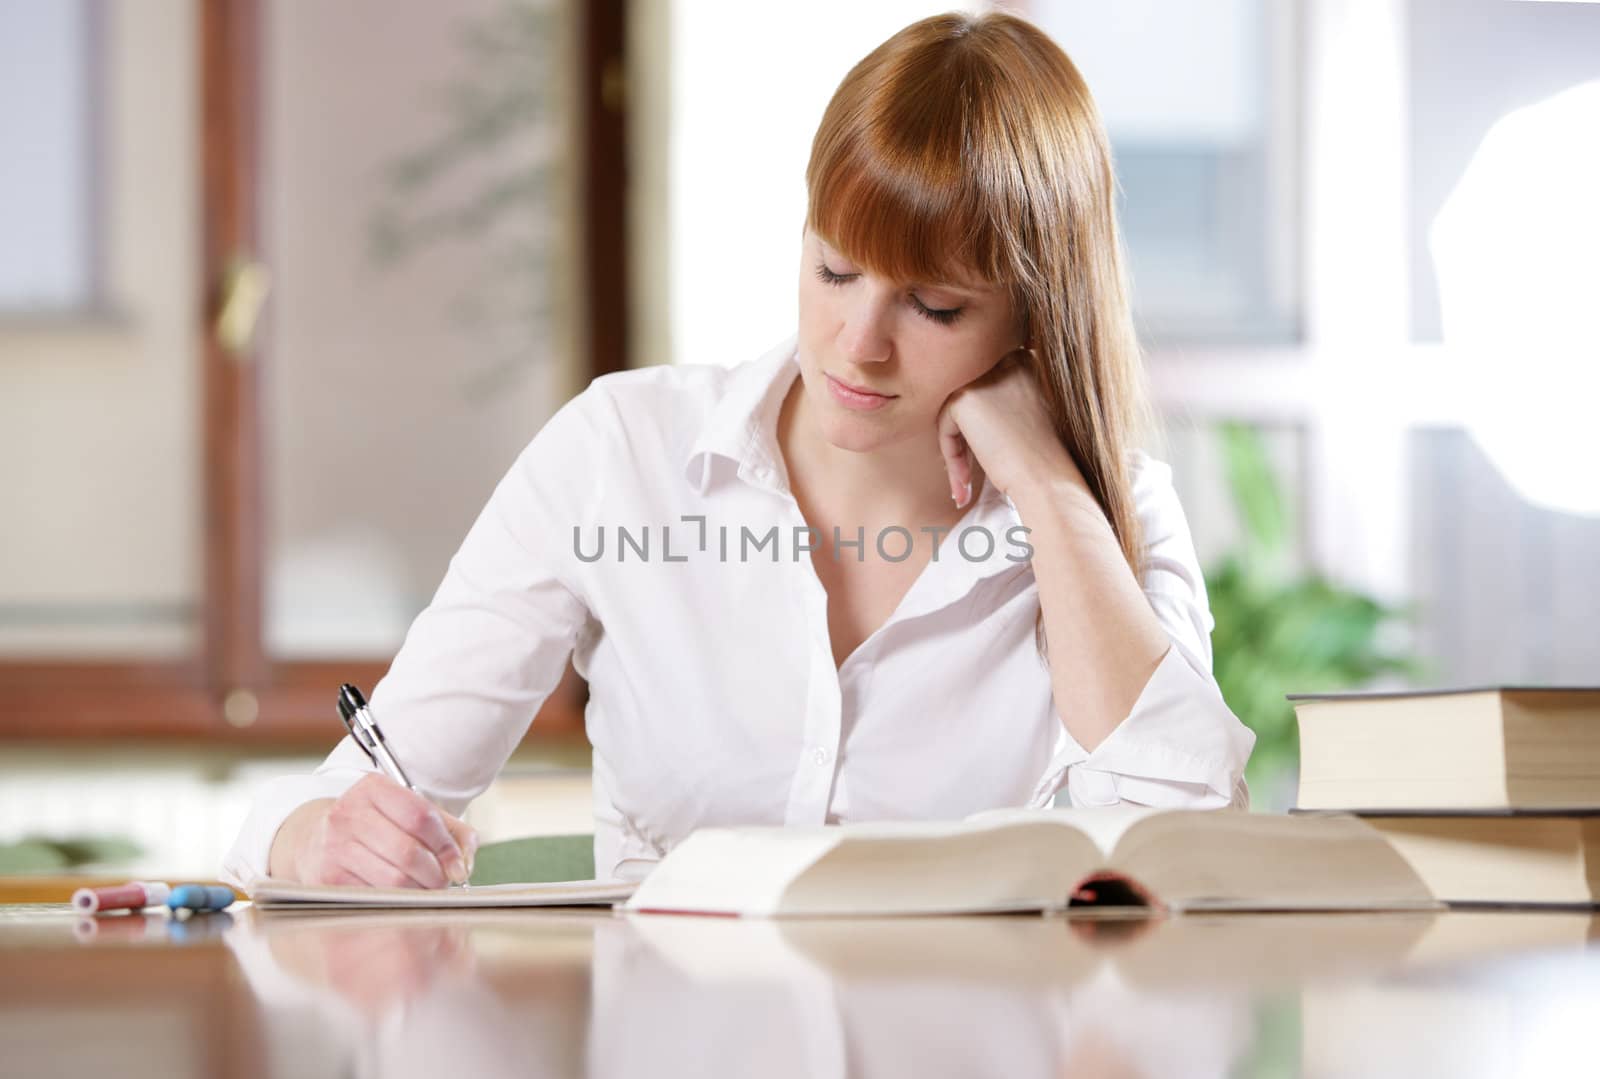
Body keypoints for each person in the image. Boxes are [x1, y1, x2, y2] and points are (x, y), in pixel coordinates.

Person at [221, 10, 1255, 891]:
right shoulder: (620, 452)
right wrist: (318, 834)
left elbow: (1191, 839)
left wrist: (1043, 484)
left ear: (1034, 312)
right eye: (835, 270)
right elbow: (338, 798)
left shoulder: (1110, 508)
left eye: (935, 306)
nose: (859, 342)